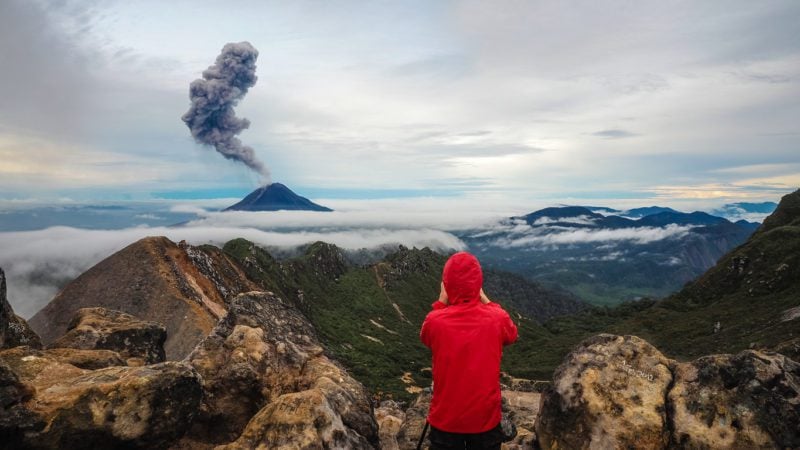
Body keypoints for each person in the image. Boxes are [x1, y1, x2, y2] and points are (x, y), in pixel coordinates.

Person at [420, 251, 518, 449]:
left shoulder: (435, 321)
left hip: (446, 419)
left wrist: (441, 301)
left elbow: (426, 337)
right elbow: (511, 334)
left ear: (446, 285)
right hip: (485, 420)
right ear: (478, 283)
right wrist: (484, 299)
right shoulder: (496, 319)